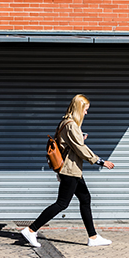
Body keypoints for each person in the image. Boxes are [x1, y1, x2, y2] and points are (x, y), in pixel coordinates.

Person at [21, 94, 115, 248]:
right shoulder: (71, 125)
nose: (86, 113)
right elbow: (80, 149)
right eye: (85, 110)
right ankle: (31, 230)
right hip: (70, 171)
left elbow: (72, 145)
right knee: (62, 203)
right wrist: (100, 161)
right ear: (79, 108)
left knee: (85, 199)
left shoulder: (66, 123)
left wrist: (79, 140)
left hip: (73, 170)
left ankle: (93, 237)